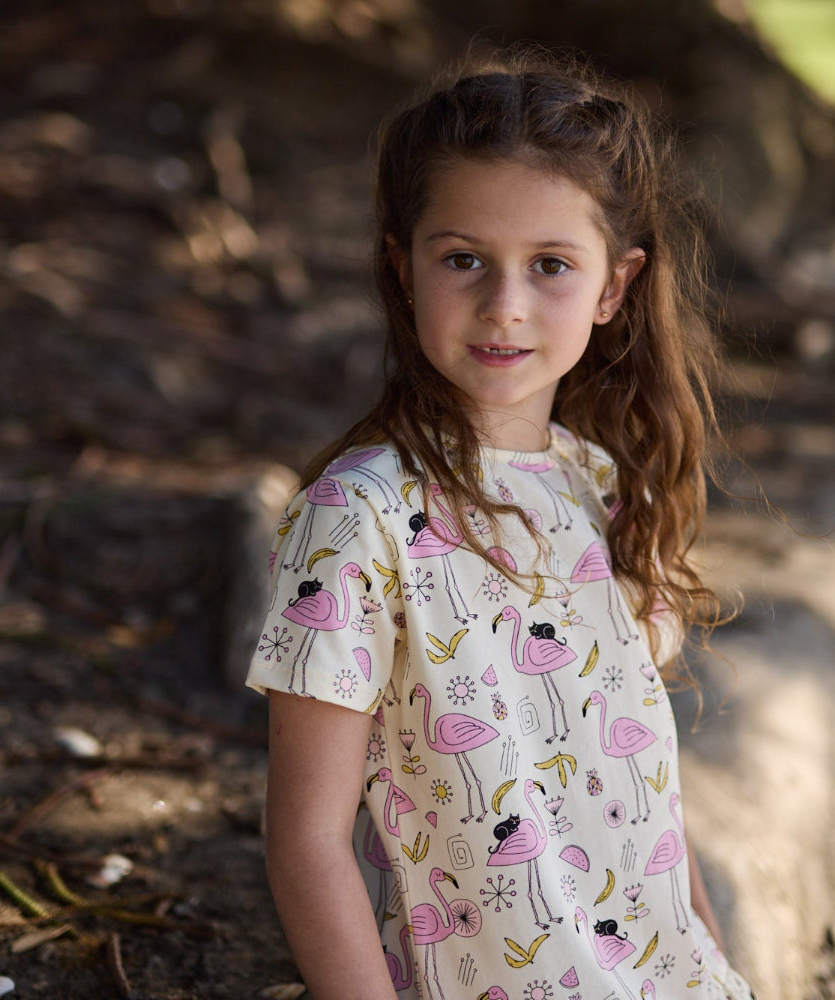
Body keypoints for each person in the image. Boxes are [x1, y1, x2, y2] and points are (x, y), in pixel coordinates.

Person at [247, 48, 756, 1000]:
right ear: (403, 269)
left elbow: (643, 795)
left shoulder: (598, 486)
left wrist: (713, 964)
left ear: (615, 288)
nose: (505, 306)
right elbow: (306, 839)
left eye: (552, 265)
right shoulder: (358, 519)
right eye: (463, 258)